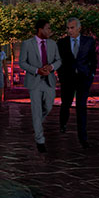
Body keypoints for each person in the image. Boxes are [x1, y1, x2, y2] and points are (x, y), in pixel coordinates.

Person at [20, 19, 61, 153]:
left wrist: (52, 66)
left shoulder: (53, 44)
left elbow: (59, 60)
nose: (50, 31)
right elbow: (22, 63)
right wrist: (37, 70)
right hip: (34, 81)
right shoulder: (27, 44)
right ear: (40, 29)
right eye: (48, 28)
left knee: (48, 107)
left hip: (49, 80)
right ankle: (40, 139)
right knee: (36, 110)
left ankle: (36, 123)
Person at [57, 17, 97, 149]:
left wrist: (91, 75)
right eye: (68, 28)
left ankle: (83, 138)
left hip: (83, 78)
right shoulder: (61, 42)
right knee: (66, 104)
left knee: (81, 107)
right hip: (67, 79)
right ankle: (63, 123)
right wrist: (61, 76)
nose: (69, 31)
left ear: (79, 28)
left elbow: (93, 60)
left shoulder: (89, 41)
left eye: (72, 28)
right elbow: (59, 61)